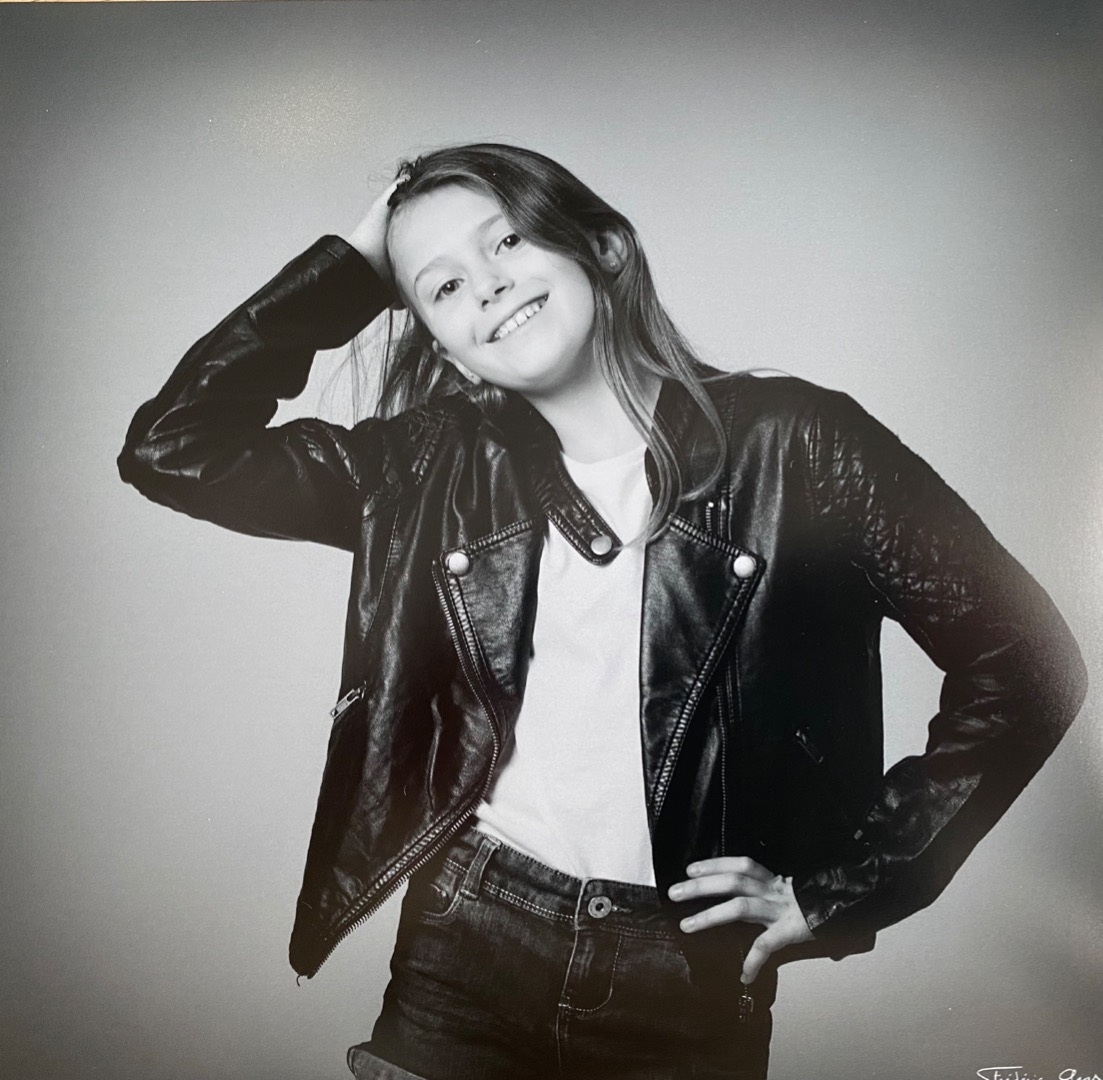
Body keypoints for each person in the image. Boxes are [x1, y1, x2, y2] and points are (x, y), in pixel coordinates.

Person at [117, 143, 1087, 1080]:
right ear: (445, 347)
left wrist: (848, 888)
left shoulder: (798, 442)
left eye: (505, 240)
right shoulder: (426, 468)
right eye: (441, 286)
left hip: (685, 967)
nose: (486, 285)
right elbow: (174, 448)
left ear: (603, 247)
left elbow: (1025, 661)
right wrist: (349, 270)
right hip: (466, 936)